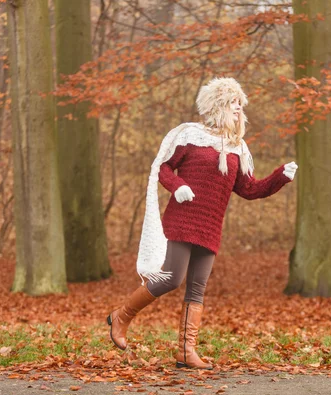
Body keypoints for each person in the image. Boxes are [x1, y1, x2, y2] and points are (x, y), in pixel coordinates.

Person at [106, 77, 297, 370]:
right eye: (234, 104)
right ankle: (121, 316)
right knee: (171, 278)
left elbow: (249, 189)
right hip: (183, 219)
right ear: (218, 105)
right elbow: (164, 168)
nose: (239, 110)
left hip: (210, 226)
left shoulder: (237, 147)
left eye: (240, 105)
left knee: (197, 288)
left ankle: (186, 351)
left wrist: (280, 176)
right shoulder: (189, 135)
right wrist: (178, 186)